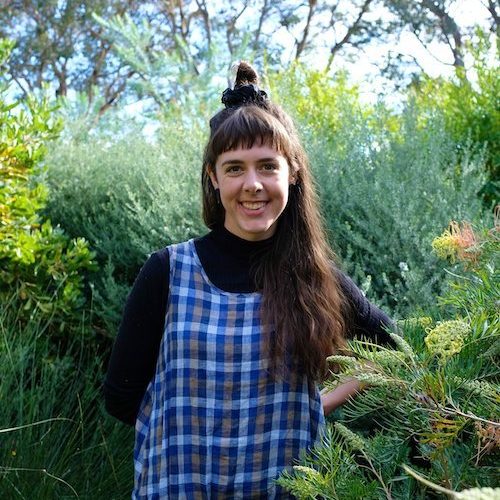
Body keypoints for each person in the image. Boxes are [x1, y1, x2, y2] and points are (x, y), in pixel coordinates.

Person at [104, 61, 394, 499]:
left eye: (267, 166)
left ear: (292, 174)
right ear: (214, 177)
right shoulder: (167, 271)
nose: (252, 184)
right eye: (235, 167)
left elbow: (396, 354)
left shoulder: (319, 279)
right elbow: (120, 396)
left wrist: (316, 405)